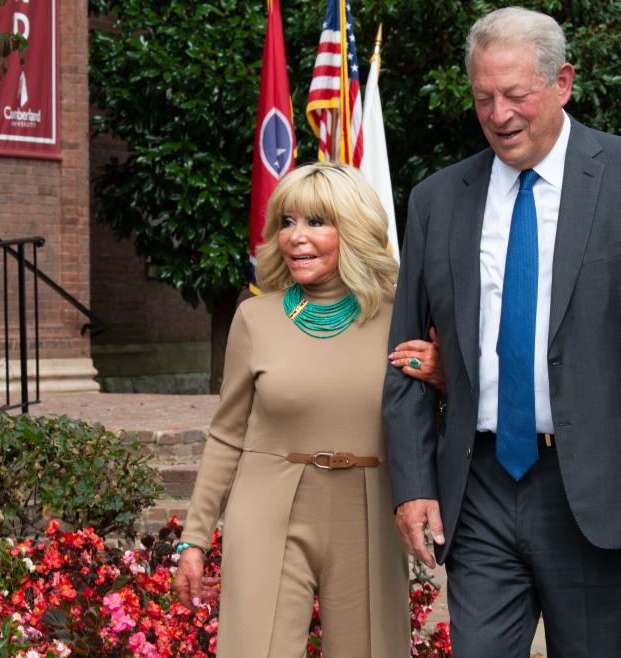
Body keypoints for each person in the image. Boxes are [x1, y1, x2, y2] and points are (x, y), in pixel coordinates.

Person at [382, 7, 621, 658]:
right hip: (478, 486)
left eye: (517, 95)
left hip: (596, 484)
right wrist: (415, 483)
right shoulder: (437, 200)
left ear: (562, 82)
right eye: (484, 97)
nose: (499, 114)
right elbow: (404, 362)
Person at [173, 162, 435, 657]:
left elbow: (432, 416)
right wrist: (195, 540)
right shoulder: (254, 318)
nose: (296, 237)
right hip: (267, 506)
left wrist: (441, 375)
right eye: (287, 222)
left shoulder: (403, 317)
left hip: (370, 508)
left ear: (354, 230)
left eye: (316, 222)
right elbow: (227, 436)